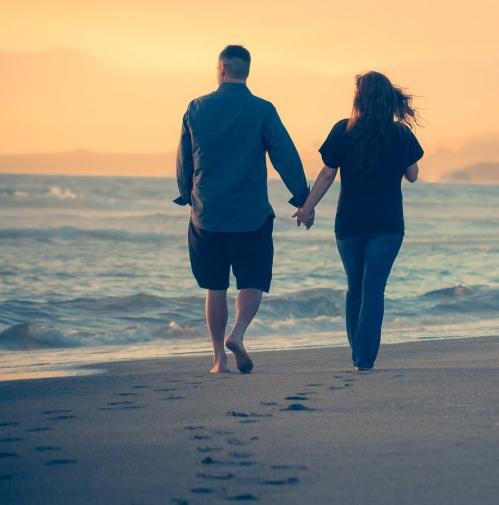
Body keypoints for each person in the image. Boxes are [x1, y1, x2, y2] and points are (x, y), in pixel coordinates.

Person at [175, 45, 309, 374]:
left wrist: (186, 195)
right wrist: (302, 197)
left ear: (220, 69)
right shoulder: (262, 110)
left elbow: (184, 160)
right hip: (250, 216)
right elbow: (284, 154)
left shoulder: (195, 108)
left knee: (215, 287)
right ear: (245, 72)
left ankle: (219, 361)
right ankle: (238, 334)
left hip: (207, 216)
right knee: (253, 280)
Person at [294, 71, 423, 371]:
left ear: (359, 99)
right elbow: (413, 175)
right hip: (388, 226)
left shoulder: (343, 130)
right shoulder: (401, 134)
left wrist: (306, 208)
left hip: (349, 225)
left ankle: (359, 353)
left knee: (355, 287)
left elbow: (327, 174)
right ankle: (363, 358)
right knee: (374, 289)